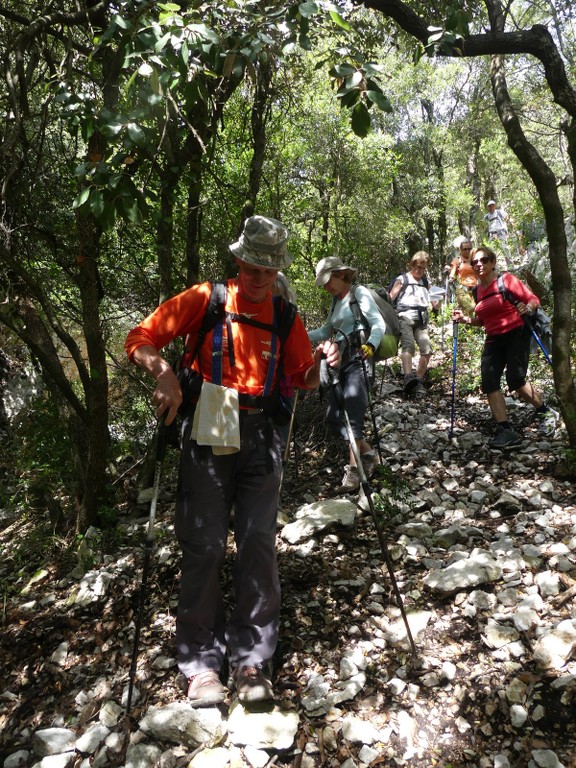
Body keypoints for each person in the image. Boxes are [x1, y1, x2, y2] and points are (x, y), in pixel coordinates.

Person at [125, 215, 340, 708]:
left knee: (259, 543)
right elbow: (140, 337)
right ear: (238, 259)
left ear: (277, 269)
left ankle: (251, 661)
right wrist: (163, 373)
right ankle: (201, 665)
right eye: (252, 264)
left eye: (268, 268)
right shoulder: (206, 299)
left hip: (262, 435)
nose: (258, 274)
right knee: (203, 545)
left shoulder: (286, 316)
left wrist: (325, 364)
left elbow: (301, 376)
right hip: (208, 426)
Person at [452, 245, 559, 448]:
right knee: (489, 380)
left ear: (492, 263)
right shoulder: (477, 290)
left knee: (516, 379)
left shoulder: (506, 280)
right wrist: (465, 319)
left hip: (516, 333)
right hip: (494, 338)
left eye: (483, 260)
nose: (479, 264)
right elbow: (483, 320)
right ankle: (506, 430)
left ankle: (546, 412)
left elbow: (533, 299)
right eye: (475, 262)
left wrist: (526, 307)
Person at [308, 256, 387, 492]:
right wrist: (300, 334)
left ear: (341, 274)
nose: (326, 286)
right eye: (323, 283)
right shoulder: (335, 301)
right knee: (333, 417)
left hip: (359, 359)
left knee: (353, 419)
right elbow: (326, 330)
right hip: (338, 364)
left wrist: (371, 345)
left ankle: (353, 474)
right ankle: (370, 455)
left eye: (328, 280)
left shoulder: (359, 293)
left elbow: (378, 323)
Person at [389, 251, 434, 397]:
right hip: (404, 317)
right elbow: (390, 298)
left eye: (422, 267)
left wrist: (438, 296)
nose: (418, 270)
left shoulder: (426, 282)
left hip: (422, 319)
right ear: (411, 265)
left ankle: (419, 379)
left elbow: (436, 304)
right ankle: (408, 377)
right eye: (416, 266)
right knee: (408, 345)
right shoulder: (402, 279)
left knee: (427, 349)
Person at [447, 237, 477, 313]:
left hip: (476, 288)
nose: (467, 251)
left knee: (477, 310)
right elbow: (452, 274)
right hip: (463, 289)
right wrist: (451, 278)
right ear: (460, 250)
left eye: (469, 249)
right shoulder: (457, 260)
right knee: (470, 308)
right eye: (465, 249)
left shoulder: (476, 260)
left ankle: (468, 323)